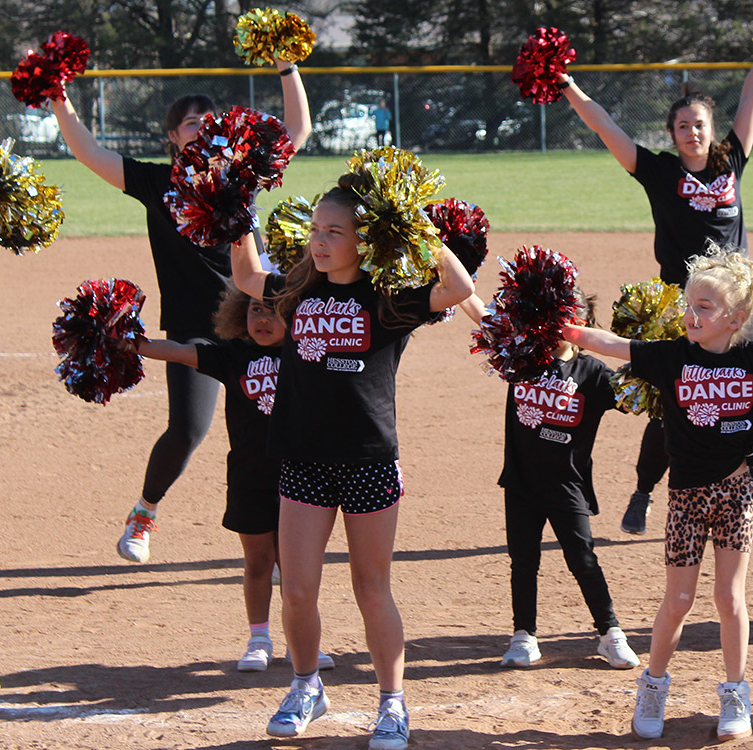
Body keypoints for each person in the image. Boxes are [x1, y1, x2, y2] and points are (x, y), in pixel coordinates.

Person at [564, 247, 753, 741]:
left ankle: (735, 694)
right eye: (690, 304)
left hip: (736, 495)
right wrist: (563, 328)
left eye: (705, 306)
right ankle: (653, 686)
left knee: (729, 598)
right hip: (686, 498)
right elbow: (609, 341)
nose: (692, 314)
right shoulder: (670, 356)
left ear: (735, 318)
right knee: (679, 600)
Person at [228, 174, 473, 748]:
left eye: (334, 231)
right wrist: (237, 207)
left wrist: (413, 225)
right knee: (298, 590)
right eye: (316, 229)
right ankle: (306, 684)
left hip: (368, 460)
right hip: (305, 461)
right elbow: (244, 276)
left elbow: (457, 287)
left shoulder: (386, 300)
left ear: (365, 240)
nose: (319, 240)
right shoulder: (295, 292)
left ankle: (392, 702)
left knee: (372, 587)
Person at [51, 58, 311, 564]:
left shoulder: (241, 176)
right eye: (191, 122)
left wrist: (286, 66)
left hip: (258, 318)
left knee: (274, 425)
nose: (201, 128)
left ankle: (281, 542)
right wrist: (58, 94)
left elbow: (297, 129)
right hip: (198, 324)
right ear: (173, 136)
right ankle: (144, 513)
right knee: (189, 429)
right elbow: (87, 151)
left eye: (206, 121)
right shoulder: (156, 184)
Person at [559, 34, 753, 539]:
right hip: (685, 305)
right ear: (672, 133)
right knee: (674, 403)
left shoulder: (730, 162)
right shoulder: (658, 171)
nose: (692, 132)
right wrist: (566, 84)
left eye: (699, 124)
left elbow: (752, 97)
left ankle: (746, 496)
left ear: (711, 130)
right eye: (683, 126)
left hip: (737, 309)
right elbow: (604, 125)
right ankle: (643, 491)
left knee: (742, 398)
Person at [129, 282, 334, 674]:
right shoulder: (233, 355)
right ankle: (259, 639)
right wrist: (131, 342)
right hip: (250, 476)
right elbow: (180, 351)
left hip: (303, 480)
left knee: (298, 568)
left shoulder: (310, 354)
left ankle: (301, 641)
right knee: (258, 562)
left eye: (274, 310)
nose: (262, 318)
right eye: (255, 309)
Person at [455, 291, 639, 671]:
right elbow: (479, 313)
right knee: (523, 561)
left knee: (584, 559)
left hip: (567, 485)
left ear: (582, 327)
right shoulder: (522, 358)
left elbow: (640, 400)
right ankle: (524, 636)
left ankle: (610, 633)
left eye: (565, 319)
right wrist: (454, 278)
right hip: (521, 482)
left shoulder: (594, 374)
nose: (555, 326)